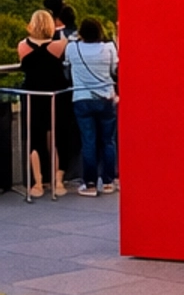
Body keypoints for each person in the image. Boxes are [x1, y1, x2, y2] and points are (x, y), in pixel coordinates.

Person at [17, 11, 70, 199]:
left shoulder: (23, 46)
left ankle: (37, 183)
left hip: (32, 96)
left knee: (34, 139)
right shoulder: (58, 45)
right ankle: (58, 181)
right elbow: (67, 41)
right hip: (55, 96)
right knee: (55, 138)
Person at [65, 19, 118, 197]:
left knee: (88, 142)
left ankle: (89, 183)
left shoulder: (73, 48)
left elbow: (66, 66)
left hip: (82, 97)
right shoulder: (109, 48)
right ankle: (109, 181)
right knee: (108, 141)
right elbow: (114, 70)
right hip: (106, 97)